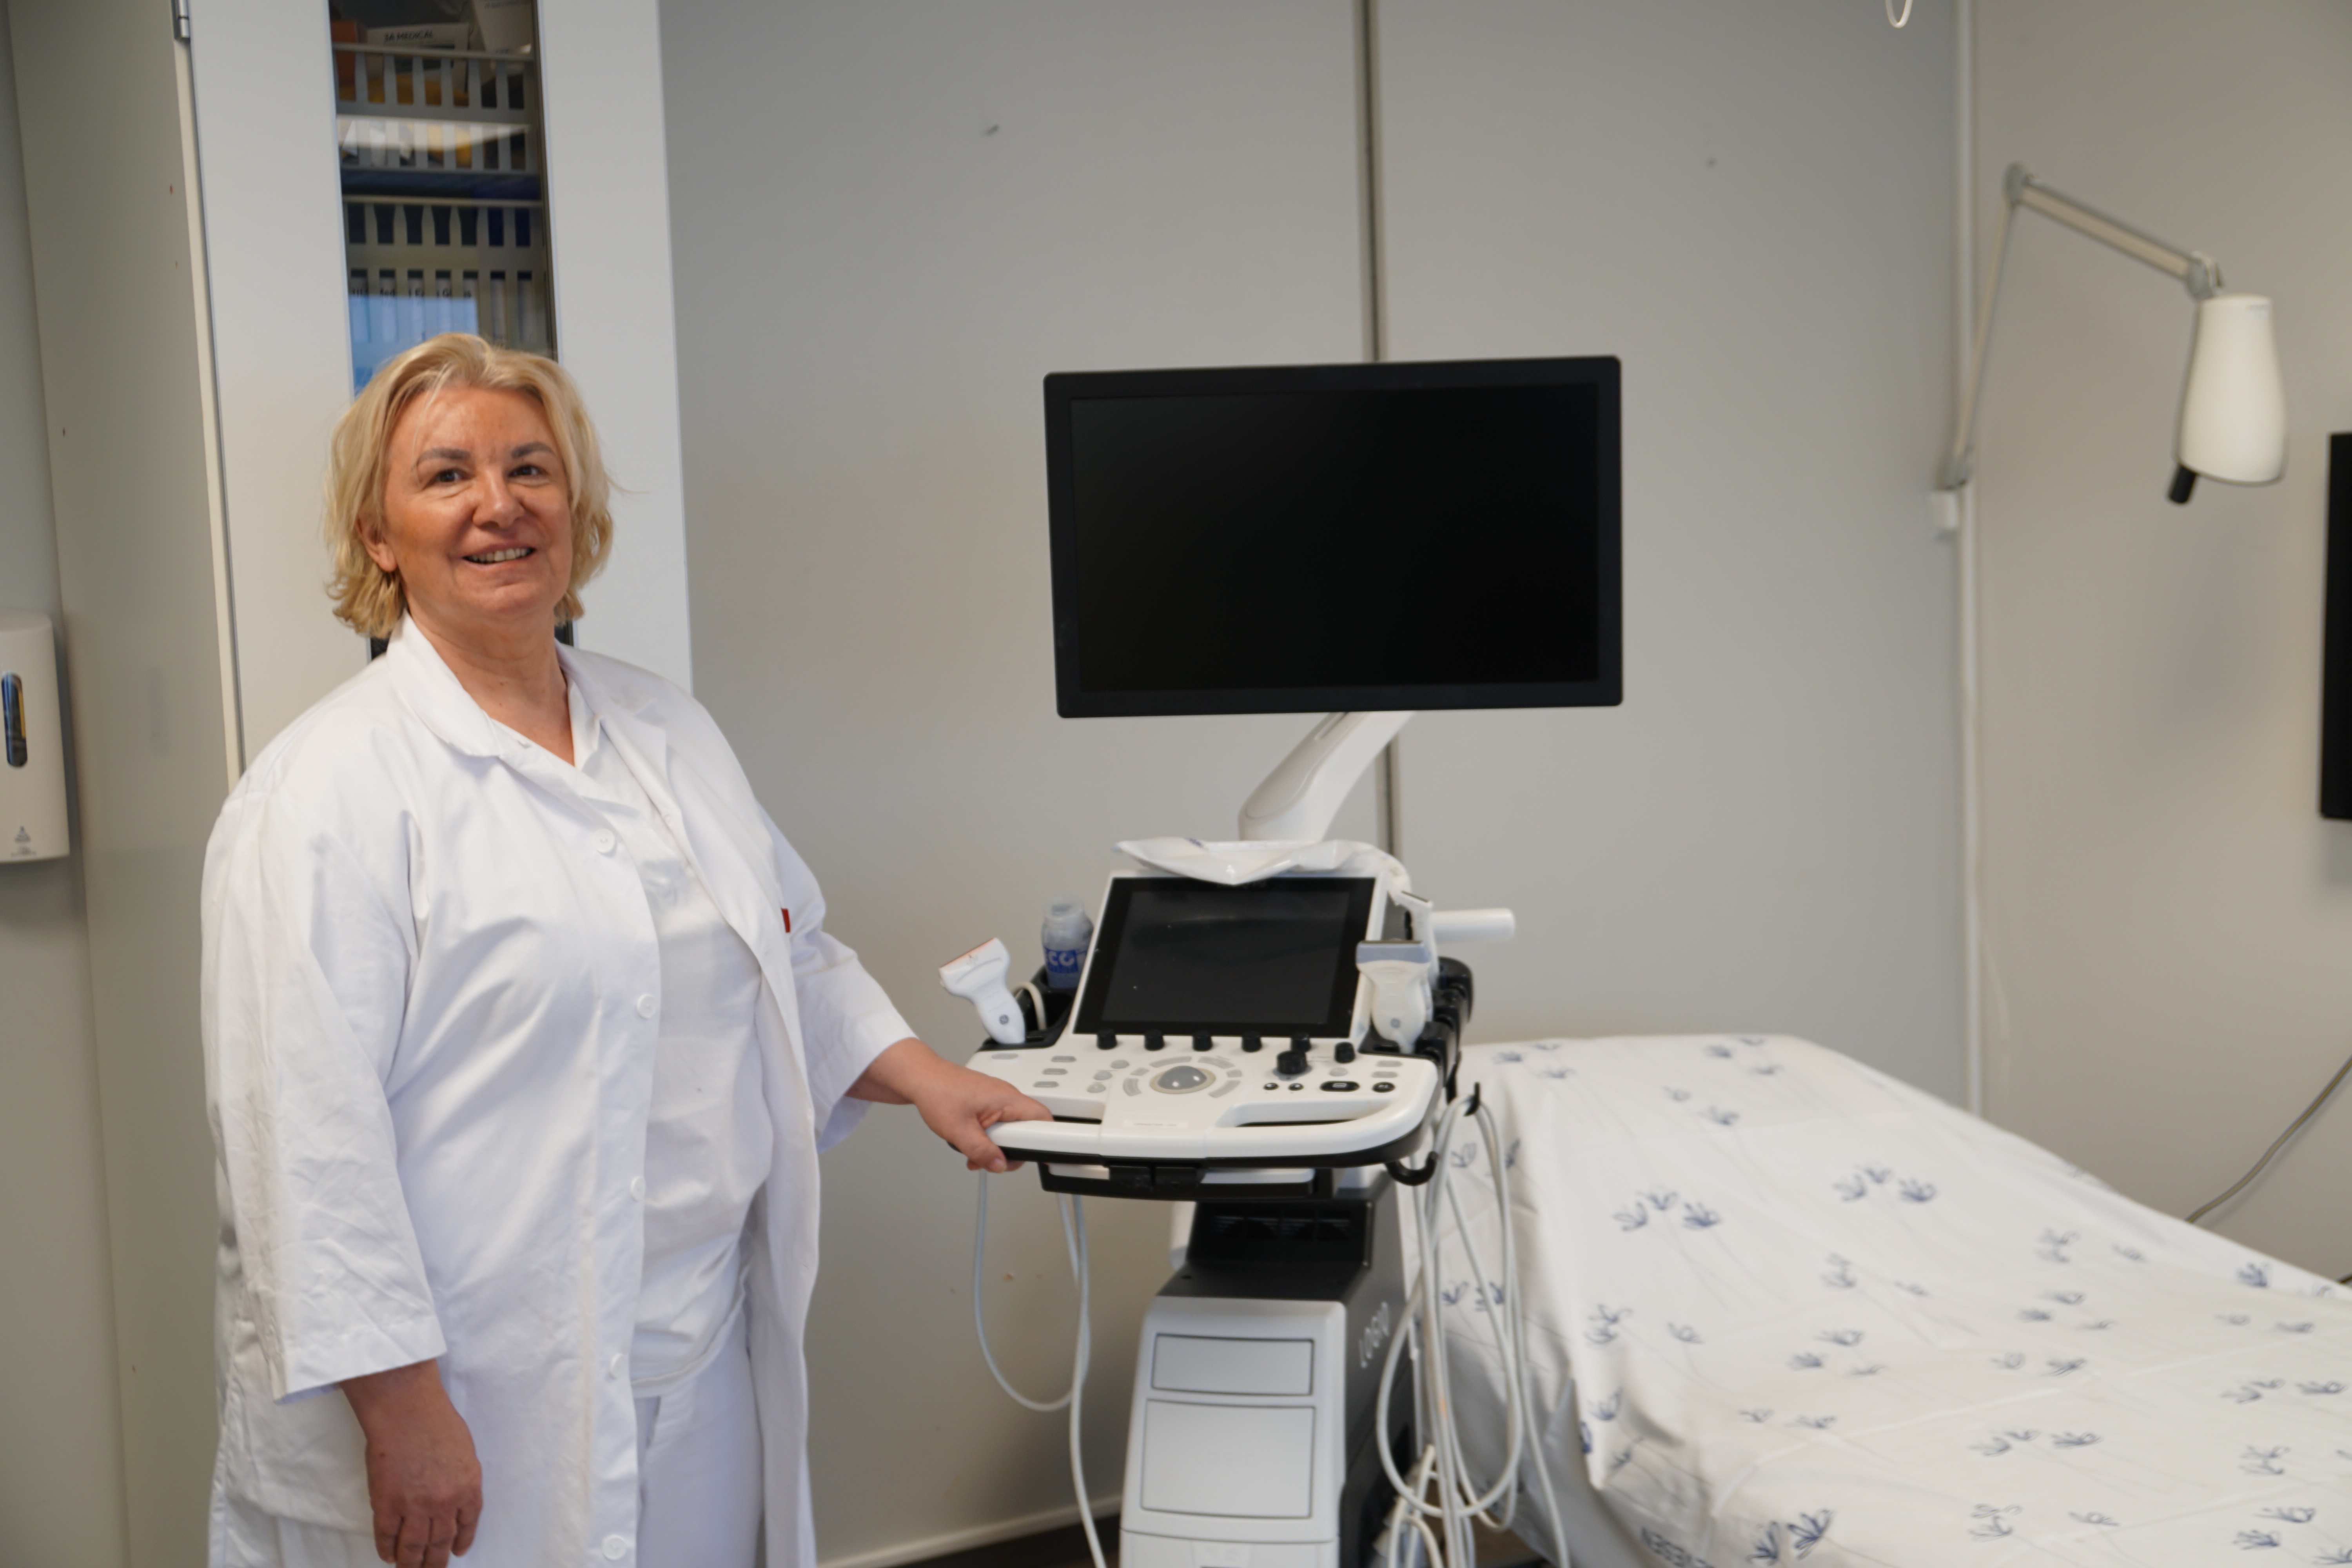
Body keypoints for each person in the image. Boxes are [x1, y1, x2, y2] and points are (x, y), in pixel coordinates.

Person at [200, 333, 1049, 1568]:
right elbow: (303, 1142)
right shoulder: (325, 795)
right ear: (378, 536)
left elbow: (786, 953)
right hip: (474, 1390)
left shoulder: (665, 728)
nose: (499, 504)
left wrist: (929, 1077)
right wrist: (404, 1413)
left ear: (576, 509)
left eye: (531, 468)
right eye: (445, 476)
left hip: (691, 1360)